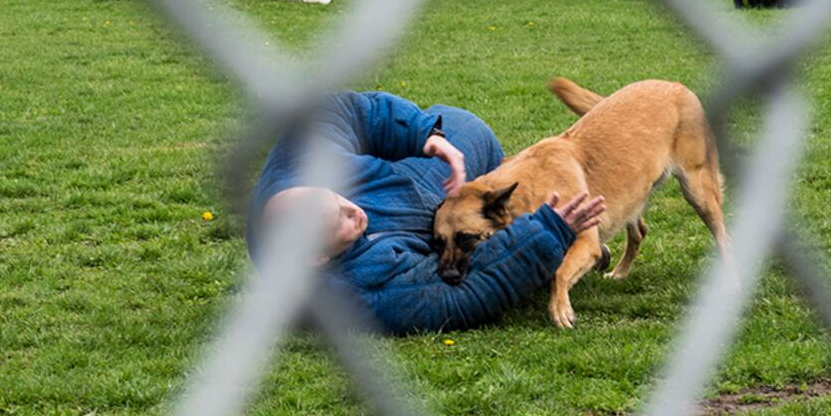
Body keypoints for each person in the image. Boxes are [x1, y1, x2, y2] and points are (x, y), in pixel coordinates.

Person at [247, 90, 605, 334]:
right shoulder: (368, 292)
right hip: (443, 191)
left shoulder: (303, 160)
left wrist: (423, 134)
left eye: (338, 198)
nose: (353, 210)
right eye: (340, 220)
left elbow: (346, 110)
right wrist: (548, 231)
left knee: (463, 145)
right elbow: (469, 295)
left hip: (441, 151)